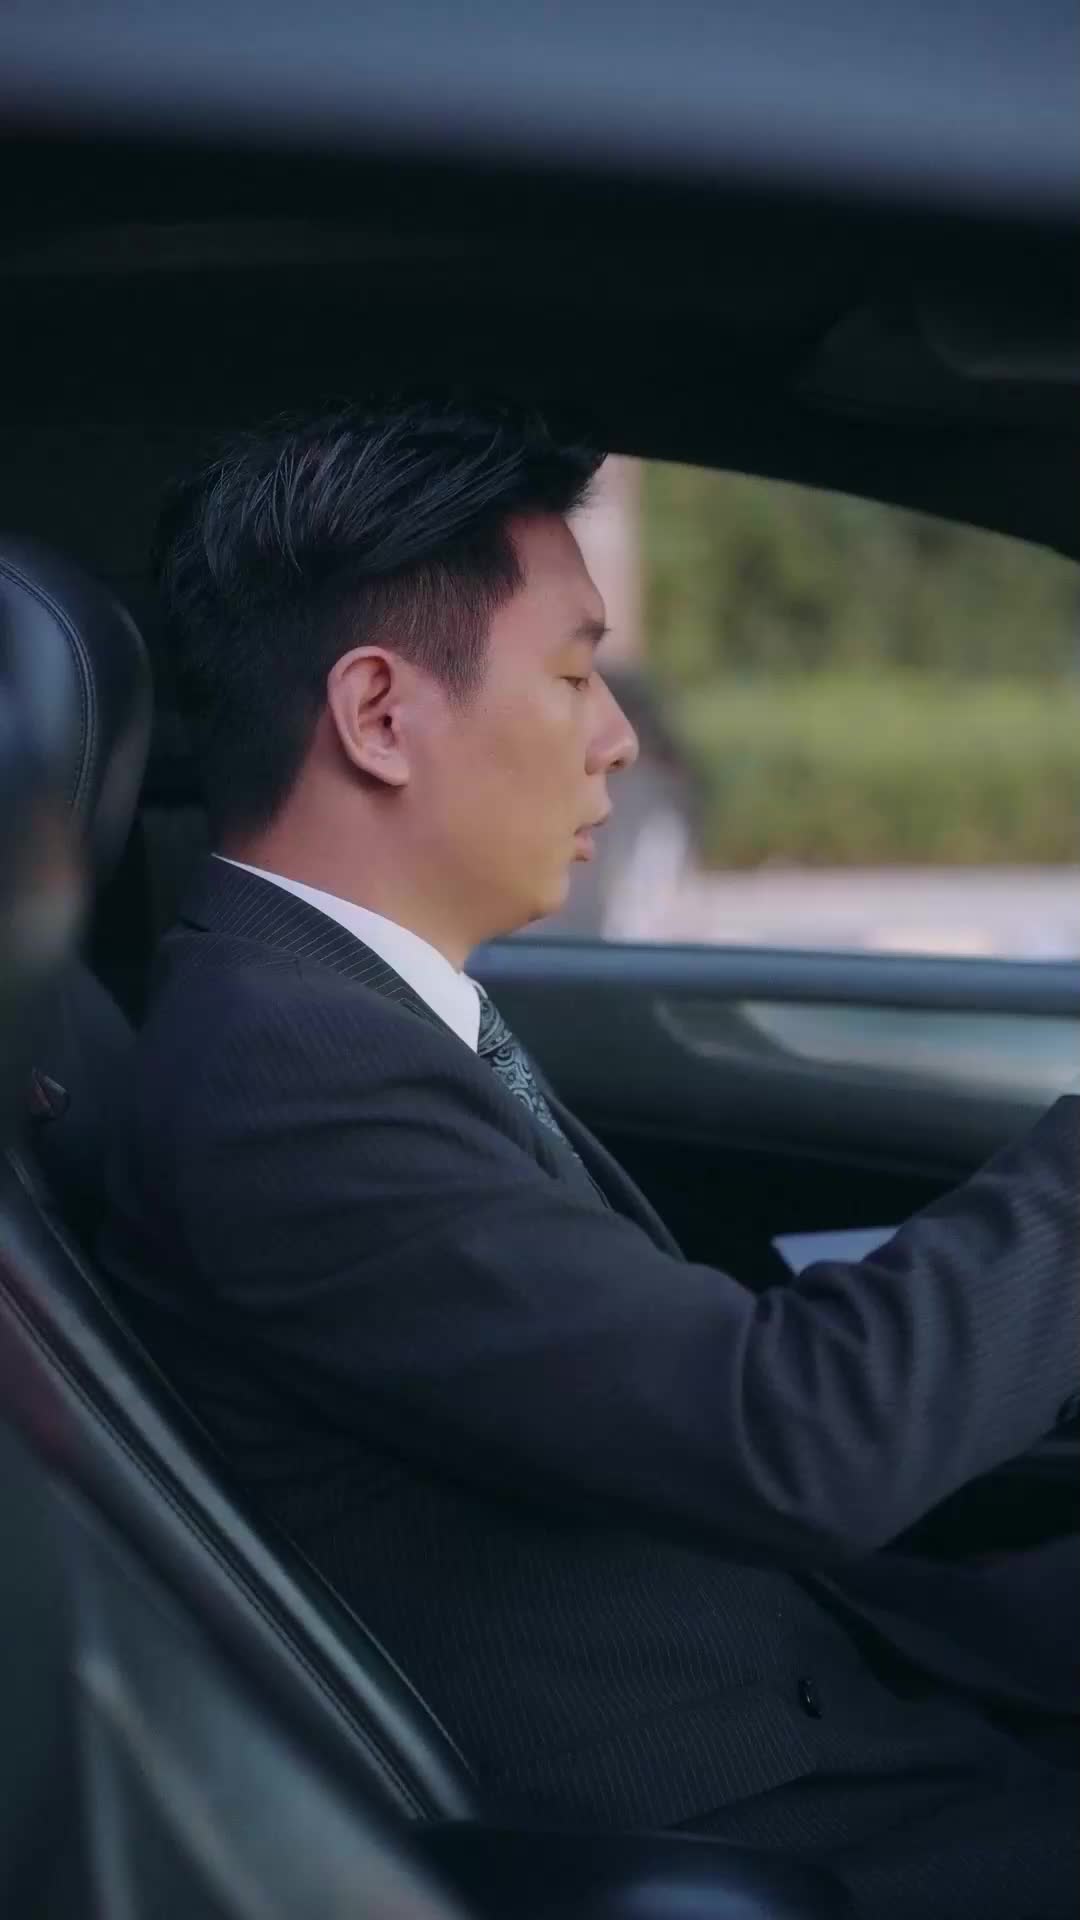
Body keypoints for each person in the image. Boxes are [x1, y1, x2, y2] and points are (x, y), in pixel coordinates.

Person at [100, 398, 1079, 1919]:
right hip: (766, 1821)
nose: (618, 734)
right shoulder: (286, 1074)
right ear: (378, 715)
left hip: (815, 1691)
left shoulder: (341, 1012)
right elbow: (788, 1440)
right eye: (572, 674)